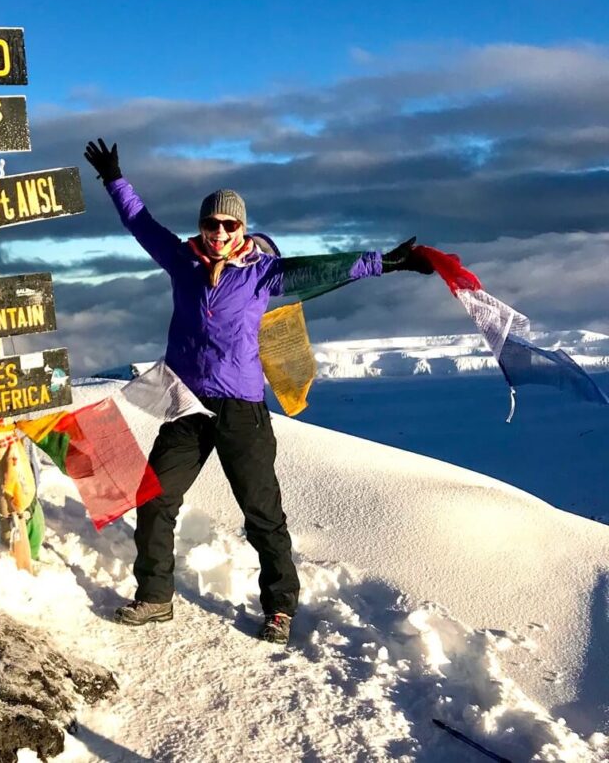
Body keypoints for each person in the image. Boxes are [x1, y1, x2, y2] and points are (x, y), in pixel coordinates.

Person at [82, 138, 433, 644]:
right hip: (185, 403)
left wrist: (390, 262)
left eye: (230, 225)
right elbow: (140, 223)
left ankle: (279, 608)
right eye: (211, 224)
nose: (220, 232)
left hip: (242, 409)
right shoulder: (182, 262)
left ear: (242, 228)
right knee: (154, 497)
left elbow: (326, 268)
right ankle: (155, 598)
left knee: (262, 513)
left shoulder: (263, 273)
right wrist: (114, 177)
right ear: (201, 226)